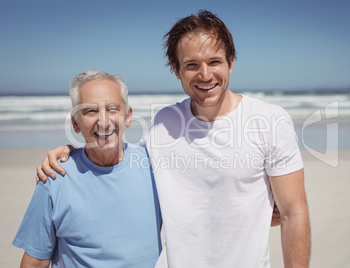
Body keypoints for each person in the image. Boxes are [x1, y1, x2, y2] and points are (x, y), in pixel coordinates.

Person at [36, 10, 310, 267]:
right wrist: (73, 153)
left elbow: (293, 212)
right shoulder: (163, 124)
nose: (205, 75)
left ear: (231, 63)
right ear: (176, 70)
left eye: (215, 61)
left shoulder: (270, 120)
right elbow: (119, 162)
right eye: (192, 65)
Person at [14, 71, 162, 267]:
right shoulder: (54, 176)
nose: (103, 121)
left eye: (112, 109)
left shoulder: (156, 169)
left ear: (128, 116)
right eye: (90, 111)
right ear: (75, 123)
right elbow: (35, 262)